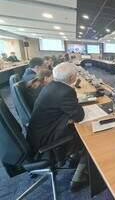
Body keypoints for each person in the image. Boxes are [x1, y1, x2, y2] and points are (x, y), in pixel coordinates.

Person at [26, 62, 86, 191]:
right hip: (47, 139)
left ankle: (73, 157)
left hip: (36, 135)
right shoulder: (66, 91)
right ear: (72, 78)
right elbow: (79, 116)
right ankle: (78, 179)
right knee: (89, 138)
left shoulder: (50, 85)